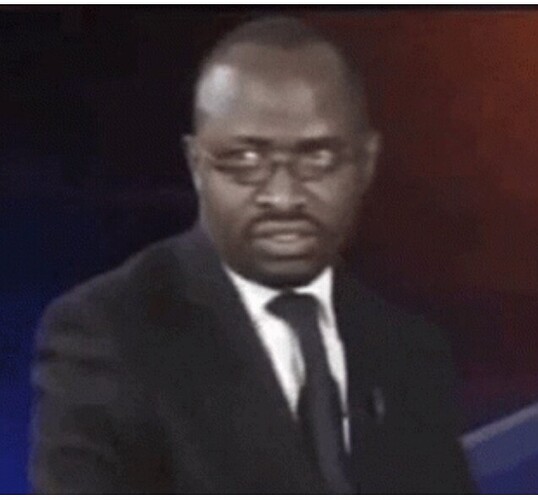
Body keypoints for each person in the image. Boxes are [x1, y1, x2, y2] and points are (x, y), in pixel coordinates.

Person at [29, 16, 475, 494]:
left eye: (318, 158)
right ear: (197, 165)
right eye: (244, 160)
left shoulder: (410, 351)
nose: (283, 197)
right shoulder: (107, 333)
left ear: (366, 163)